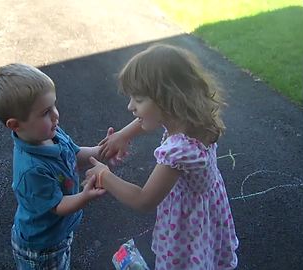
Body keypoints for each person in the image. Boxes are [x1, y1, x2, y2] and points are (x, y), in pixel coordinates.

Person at [86, 44, 239, 269]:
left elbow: (143, 200)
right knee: (208, 256)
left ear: (167, 99)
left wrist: (104, 175)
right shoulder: (196, 121)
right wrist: (123, 135)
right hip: (207, 213)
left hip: (186, 229)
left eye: (138, 100)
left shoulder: (177, 151)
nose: (130, 106)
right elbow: (148, 120)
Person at [0, 63, 110, 270]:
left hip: (58, 233)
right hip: (41, 247)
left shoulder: (52, 134)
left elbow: (76, 154)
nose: (56, 115)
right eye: (45, 112)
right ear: (15, 125)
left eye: (54, 105)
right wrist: (85, 196)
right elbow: (57, 206)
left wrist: (103, 151)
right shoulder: (31, 169)